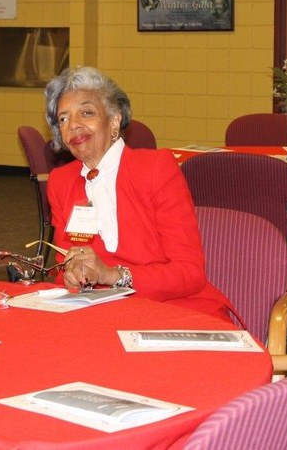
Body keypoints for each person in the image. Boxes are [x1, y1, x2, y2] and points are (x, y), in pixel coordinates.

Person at [44, 66, 235, 321]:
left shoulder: (156, 168)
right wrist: (71, 274)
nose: (73, 126)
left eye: (86, 113)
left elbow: (190, 273)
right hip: (99, 312)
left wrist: (112, 276)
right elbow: (62, 263)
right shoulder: (61, 182)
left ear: (114, 120)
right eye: (63, 119)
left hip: (176, 309)